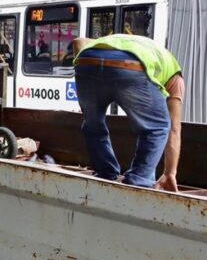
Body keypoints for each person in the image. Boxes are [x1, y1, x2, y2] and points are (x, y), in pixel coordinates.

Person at [71, 34, 183, 191]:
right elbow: (174, 128)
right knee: (158, 127)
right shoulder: (175, 77)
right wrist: (170, 173)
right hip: (129, 67)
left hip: (86, 61)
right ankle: (139, 179)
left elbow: (78, 42)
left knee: (93, 123)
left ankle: (105, 172)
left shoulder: (117, 41)